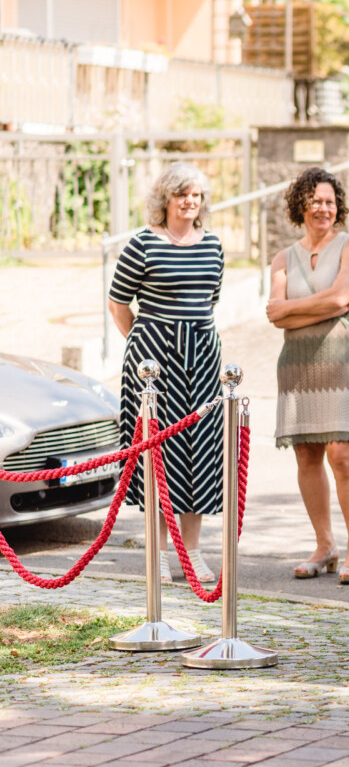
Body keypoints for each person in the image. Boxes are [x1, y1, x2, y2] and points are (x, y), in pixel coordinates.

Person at [107, 163, 223, 585]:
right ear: (166, 200)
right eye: (182, 194)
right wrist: (143, 346)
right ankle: (156, 554)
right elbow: (118, 304)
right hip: (154, 363)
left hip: (204, 359)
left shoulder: (213, 244)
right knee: (159, 452)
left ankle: (190, 551)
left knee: (201, 451)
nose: (190, 201)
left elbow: (210, 300)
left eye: (196, 194)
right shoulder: (142, 244)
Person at [267, 168, 349, 585]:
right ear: (300, 206)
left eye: (329, 201)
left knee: (342, 454)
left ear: (337, 206)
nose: (322, 208)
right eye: (314, 201)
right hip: (297, 362)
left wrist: (299, 307)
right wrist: (324, 305)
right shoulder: (282, 258)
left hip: (343, 360)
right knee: (306, 454)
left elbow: (345, 296)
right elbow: (274, 313)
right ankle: (324, 544)